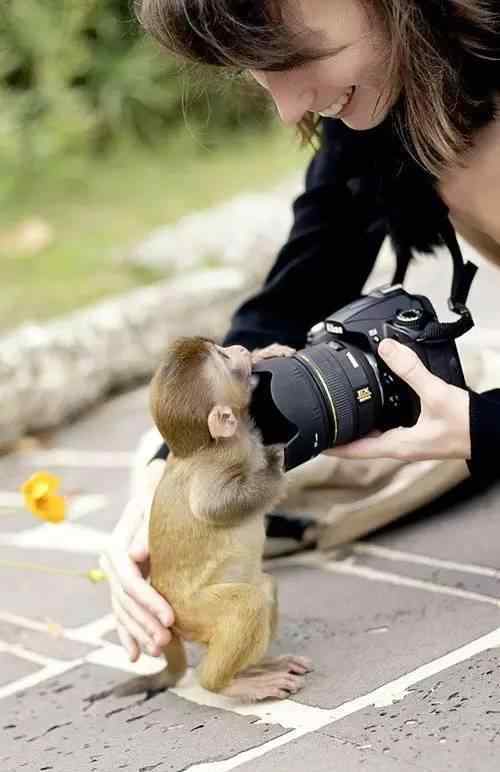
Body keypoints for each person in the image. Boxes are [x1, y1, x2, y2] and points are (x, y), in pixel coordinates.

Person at [100, 0, 500, 662]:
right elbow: (302, 285)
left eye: (300, 56)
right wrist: (169, 477)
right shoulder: (393, 92)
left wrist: (481, 428)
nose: (290, 109)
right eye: (259, 70)